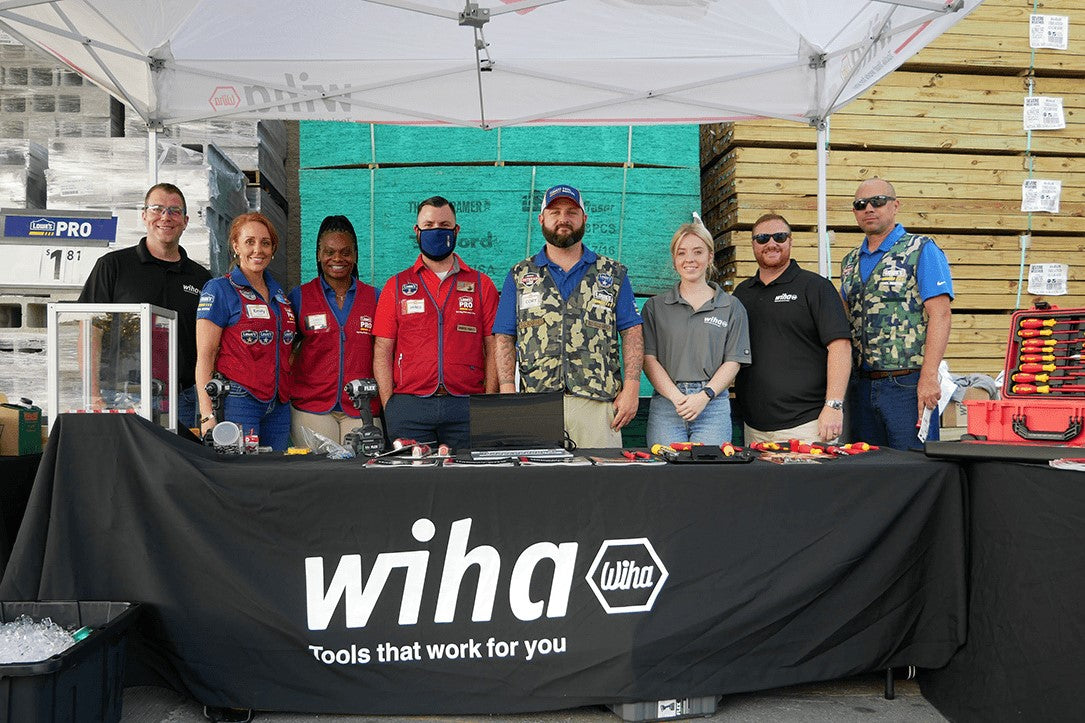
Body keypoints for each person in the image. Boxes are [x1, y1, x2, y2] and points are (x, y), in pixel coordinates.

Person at [493, 184, 643, 449]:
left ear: (584, 218)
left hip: (597, 404)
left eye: (572, 212)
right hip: (537, 403)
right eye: (555, 212)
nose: (563, 219)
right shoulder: (519, 275)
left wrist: (632, 387)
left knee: (601, 475)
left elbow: (632, 332)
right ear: (542, 219)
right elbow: (505, 336)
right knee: (539, 476)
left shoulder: (612, 273)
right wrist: (507, 392)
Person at [77, 183, 211, 428]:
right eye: (157, 209)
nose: (165, 217)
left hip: (181, 399)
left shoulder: (201, 279)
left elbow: (208, 345)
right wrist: (93, 395)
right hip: (121, 395)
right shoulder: (113, 266)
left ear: (185, 221)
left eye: (174, 211)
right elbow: (90, 332)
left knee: (177, 455)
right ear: (144, 216)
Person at [372, 196, 498, 449]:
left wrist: (488, 401)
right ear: (417, 231)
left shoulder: (481, 285)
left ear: (456, 230)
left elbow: (493, 347)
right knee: (412, 474)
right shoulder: (395, 285)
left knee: (469, 473)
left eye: (444, 225)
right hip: (409, 407)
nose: (436, 231)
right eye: (428, 225)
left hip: (467, 405)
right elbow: (382, 350)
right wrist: (390, 405)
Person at [840, 178, 953, 450]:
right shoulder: (850, 262)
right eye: (861, 204)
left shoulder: (920, 250)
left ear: (895, 205)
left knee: (913, 465)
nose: (869, 209)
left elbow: (940, 315)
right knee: (867, 465)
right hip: (862, 386)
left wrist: (929, 377)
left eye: (878, 201)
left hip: (907, 384)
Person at [733, 214, 852, 444]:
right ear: (753, 244)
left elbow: (841, 347)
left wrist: (834, 405)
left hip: (807, 426)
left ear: (790, 240)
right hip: (754, 427)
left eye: (779, 237)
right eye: (762, 238)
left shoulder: (815, 287)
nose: (771, 243)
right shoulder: (742, 293)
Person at [641, 223, 750, 447]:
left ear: (710, 256)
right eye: (681, 253)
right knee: (666, 468)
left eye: (698, 252)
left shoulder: (731, 306)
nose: (689, 259)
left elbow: (733, 361)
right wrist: (677, 397)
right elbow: (648, 359)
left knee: (708, 468)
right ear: (674, 259)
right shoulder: (655, 307)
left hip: (713, 405)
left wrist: (704, 395)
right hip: (668, 404)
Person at [195, 212, 296, 450]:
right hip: (239, 400)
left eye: (265, 243)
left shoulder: (280, 295)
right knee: (241, 468)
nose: (258, 250)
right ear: (236, 246)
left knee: (278, 469)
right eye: (249, 242)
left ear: (273, 249)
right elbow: (206, 356)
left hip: (279, 403)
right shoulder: (220, 289)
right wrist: (207, 416)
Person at [288, 215, 380, 446]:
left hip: (361, 405)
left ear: (355, 255)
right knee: (320, 464)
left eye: (345, 252)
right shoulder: (300, 297)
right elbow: (285, 352)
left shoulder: (375, 298)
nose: (337, 258)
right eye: (329, 252)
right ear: (319, 255)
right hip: (312, 405)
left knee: (361, 462)